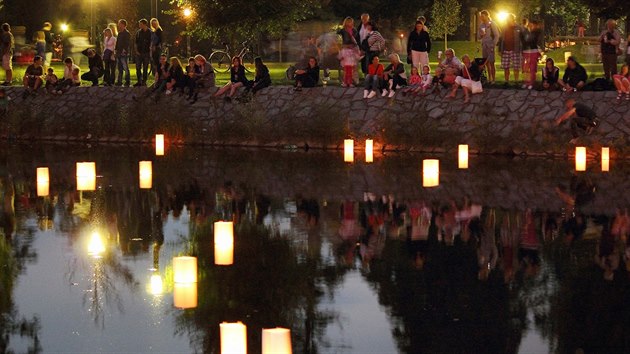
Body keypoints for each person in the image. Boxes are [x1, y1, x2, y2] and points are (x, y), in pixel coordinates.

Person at [498, 14, 523, 83]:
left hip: (516, 50)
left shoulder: (518, 28)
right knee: (506, 67)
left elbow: (522, 39)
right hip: (505, 50)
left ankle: (516, 81)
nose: (508, 21)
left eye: (510, 19)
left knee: (516, 67)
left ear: (513, 19)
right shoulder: (504, 27)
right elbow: (501, 39)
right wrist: (500, 49)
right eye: (507, 19)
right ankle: (506, 81)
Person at [478, 10, 500, 83]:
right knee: (486, 63)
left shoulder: (492, 24)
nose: (481, 17)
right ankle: (489, 79)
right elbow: (478, 37)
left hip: (490, 45)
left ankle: (493, 79)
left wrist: (493, 44)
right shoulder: (481, 25)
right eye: (481, 16)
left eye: (482, 16)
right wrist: (481, 35)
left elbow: (497, 35)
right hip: (484, 45)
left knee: (491, 62)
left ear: (487, 16)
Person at [337, 17, 360, 84]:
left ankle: (354, 81)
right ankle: (345, 81)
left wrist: (354, 45)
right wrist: (343, 46)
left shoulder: (354, 30)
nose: (349, 23)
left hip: (353, 49)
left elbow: (356, 40)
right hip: (345, 49)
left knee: (354, 66)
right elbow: (338, 38)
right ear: (345, 22)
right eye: (348, 21)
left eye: (350, 21)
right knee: (345, 67)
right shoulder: (342, 30)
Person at [521, 20, 543, 90]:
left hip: (533, 51)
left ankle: (531, 83)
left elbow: (532, 41)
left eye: (531, 25)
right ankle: (526, 82)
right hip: (526, 51)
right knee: (525, 68)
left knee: (532, 68)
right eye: (529, 25)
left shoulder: (536, 32)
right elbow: (523, 41)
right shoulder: (526, 32)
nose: (530, 26)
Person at [134, 19, 152, 86]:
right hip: (139, 52)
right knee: (138, 67)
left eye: (141, 24)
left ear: (145, 24)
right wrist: (136, 51)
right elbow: (136, 42)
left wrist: (150, 51)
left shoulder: (150, 32)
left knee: (145, 67)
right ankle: (139, 80)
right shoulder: (138, 32)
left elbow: (151, 42)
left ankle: (144, 81)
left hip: (146, 52)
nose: (139, 26)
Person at [115, 19, 131, 87]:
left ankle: (127, 81)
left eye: (120, 24)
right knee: (120, 67)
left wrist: (124, 50)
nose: (119, 25)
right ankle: (119, 81)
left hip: (124, 52)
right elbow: (118, 42)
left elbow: (127, 43)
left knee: (125, 67)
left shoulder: (127, 33)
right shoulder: (120, 33)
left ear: (123, 25)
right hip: (119, 52)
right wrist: (116, 49)